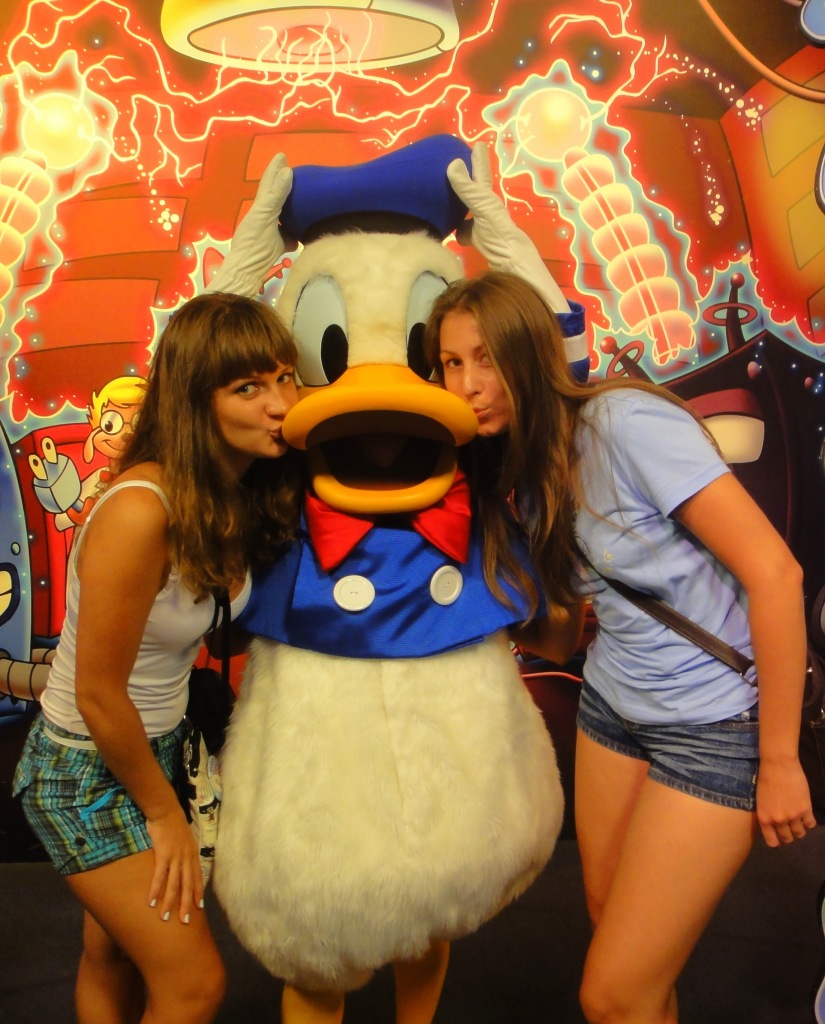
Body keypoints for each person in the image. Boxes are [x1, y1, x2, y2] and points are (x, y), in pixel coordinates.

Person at [424, 270, 815, 1024]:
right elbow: (562, 633)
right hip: (610, 709)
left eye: (485, 360)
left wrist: (778, 758)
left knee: (610, 993)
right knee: (620, 947)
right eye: (449, 363)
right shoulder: (521, 468)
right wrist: (454, 615)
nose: (466, 385)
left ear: (528, 354)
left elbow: (776, 574)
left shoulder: (622, 423)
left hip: (711, 728)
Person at [13, 291, 303, 1024]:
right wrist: (164, 814)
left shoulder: (229, 492)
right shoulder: (143, 509)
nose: (280, 404)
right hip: (85, 767)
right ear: (195, 401)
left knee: (111, 954)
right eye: (248, 387)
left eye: (284, 378)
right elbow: (98, 694)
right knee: (194, 984)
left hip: (158, 747)